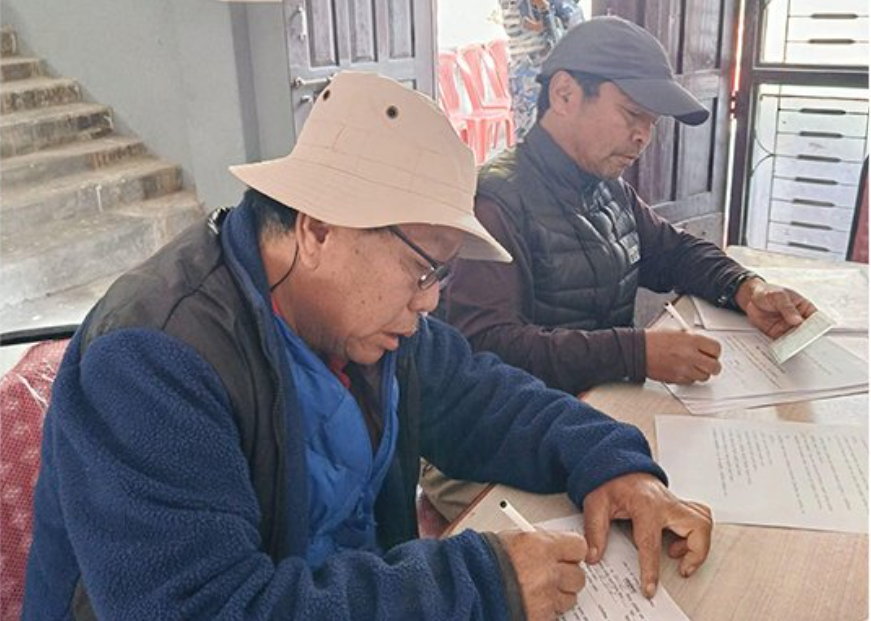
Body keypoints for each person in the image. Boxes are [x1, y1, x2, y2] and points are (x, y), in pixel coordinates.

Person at [24, 71, 712, 621]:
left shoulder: (365, 322)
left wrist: (612, 462)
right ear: (319, 229)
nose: (430, 301)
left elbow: (487, 399)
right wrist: (481, 583)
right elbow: (202, 606)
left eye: (441, 275)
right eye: (423, 269)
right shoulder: (151, 360)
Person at [427, 16, 816, 520]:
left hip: (587, 418)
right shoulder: (495, 200)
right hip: (495, 443)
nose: (642, 137)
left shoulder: (605, 188)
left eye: (651, 122)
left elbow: (673, 252)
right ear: (565, 94)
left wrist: (746, 287)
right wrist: (636, 354)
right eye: (632, 114)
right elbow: (486, 348)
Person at [499, 0, 584, 139]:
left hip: (543, 71)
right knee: (532, 131)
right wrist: (545, 11)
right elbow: (530, 26)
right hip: (533, 72)